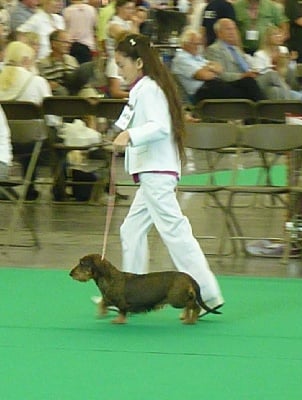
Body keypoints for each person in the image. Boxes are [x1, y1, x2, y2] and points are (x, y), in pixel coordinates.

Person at [112, 33, 224, 316]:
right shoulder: (146, 87)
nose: (118, 70)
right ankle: (133, 295)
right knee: (132, 229)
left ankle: (207, 292)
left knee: (175, 232)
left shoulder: (148, 89)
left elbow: (160, 126)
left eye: (121, 64)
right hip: (153, 171)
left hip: (156, 171)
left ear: (138, 62)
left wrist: (129, 135)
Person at [0, 40, 51, 200]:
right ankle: (58, 188)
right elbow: (51, 116)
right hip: (31, 139)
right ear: (26, 60)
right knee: (51, 138)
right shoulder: (37, 81)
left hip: (6, 141)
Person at [172, 27, 265, 103]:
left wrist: (208, 68)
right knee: (247, 95)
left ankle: (264, 113)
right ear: (185, 44)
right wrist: (209, 69)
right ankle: (265, 116)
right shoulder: (181, 59)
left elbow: (220, 68)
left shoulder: (197, 57)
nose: (197, 47)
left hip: (215, 84)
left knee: (248, 81)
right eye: (195, 44)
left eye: (199, 44)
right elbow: (204, 75)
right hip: (203, 91)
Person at [206, 18, 292, 100]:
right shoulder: (214, 49)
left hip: (252, 78)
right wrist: (242, 76)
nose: (232, 32)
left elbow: (249, 64)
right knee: (272, 75)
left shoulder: (236, 49)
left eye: (234, 29)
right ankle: (291, 104)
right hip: (238, 83)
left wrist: (255, 71)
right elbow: (220, 75)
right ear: (219, 33)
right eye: (228, 29)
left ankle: (284, 109)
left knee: (274, 90)